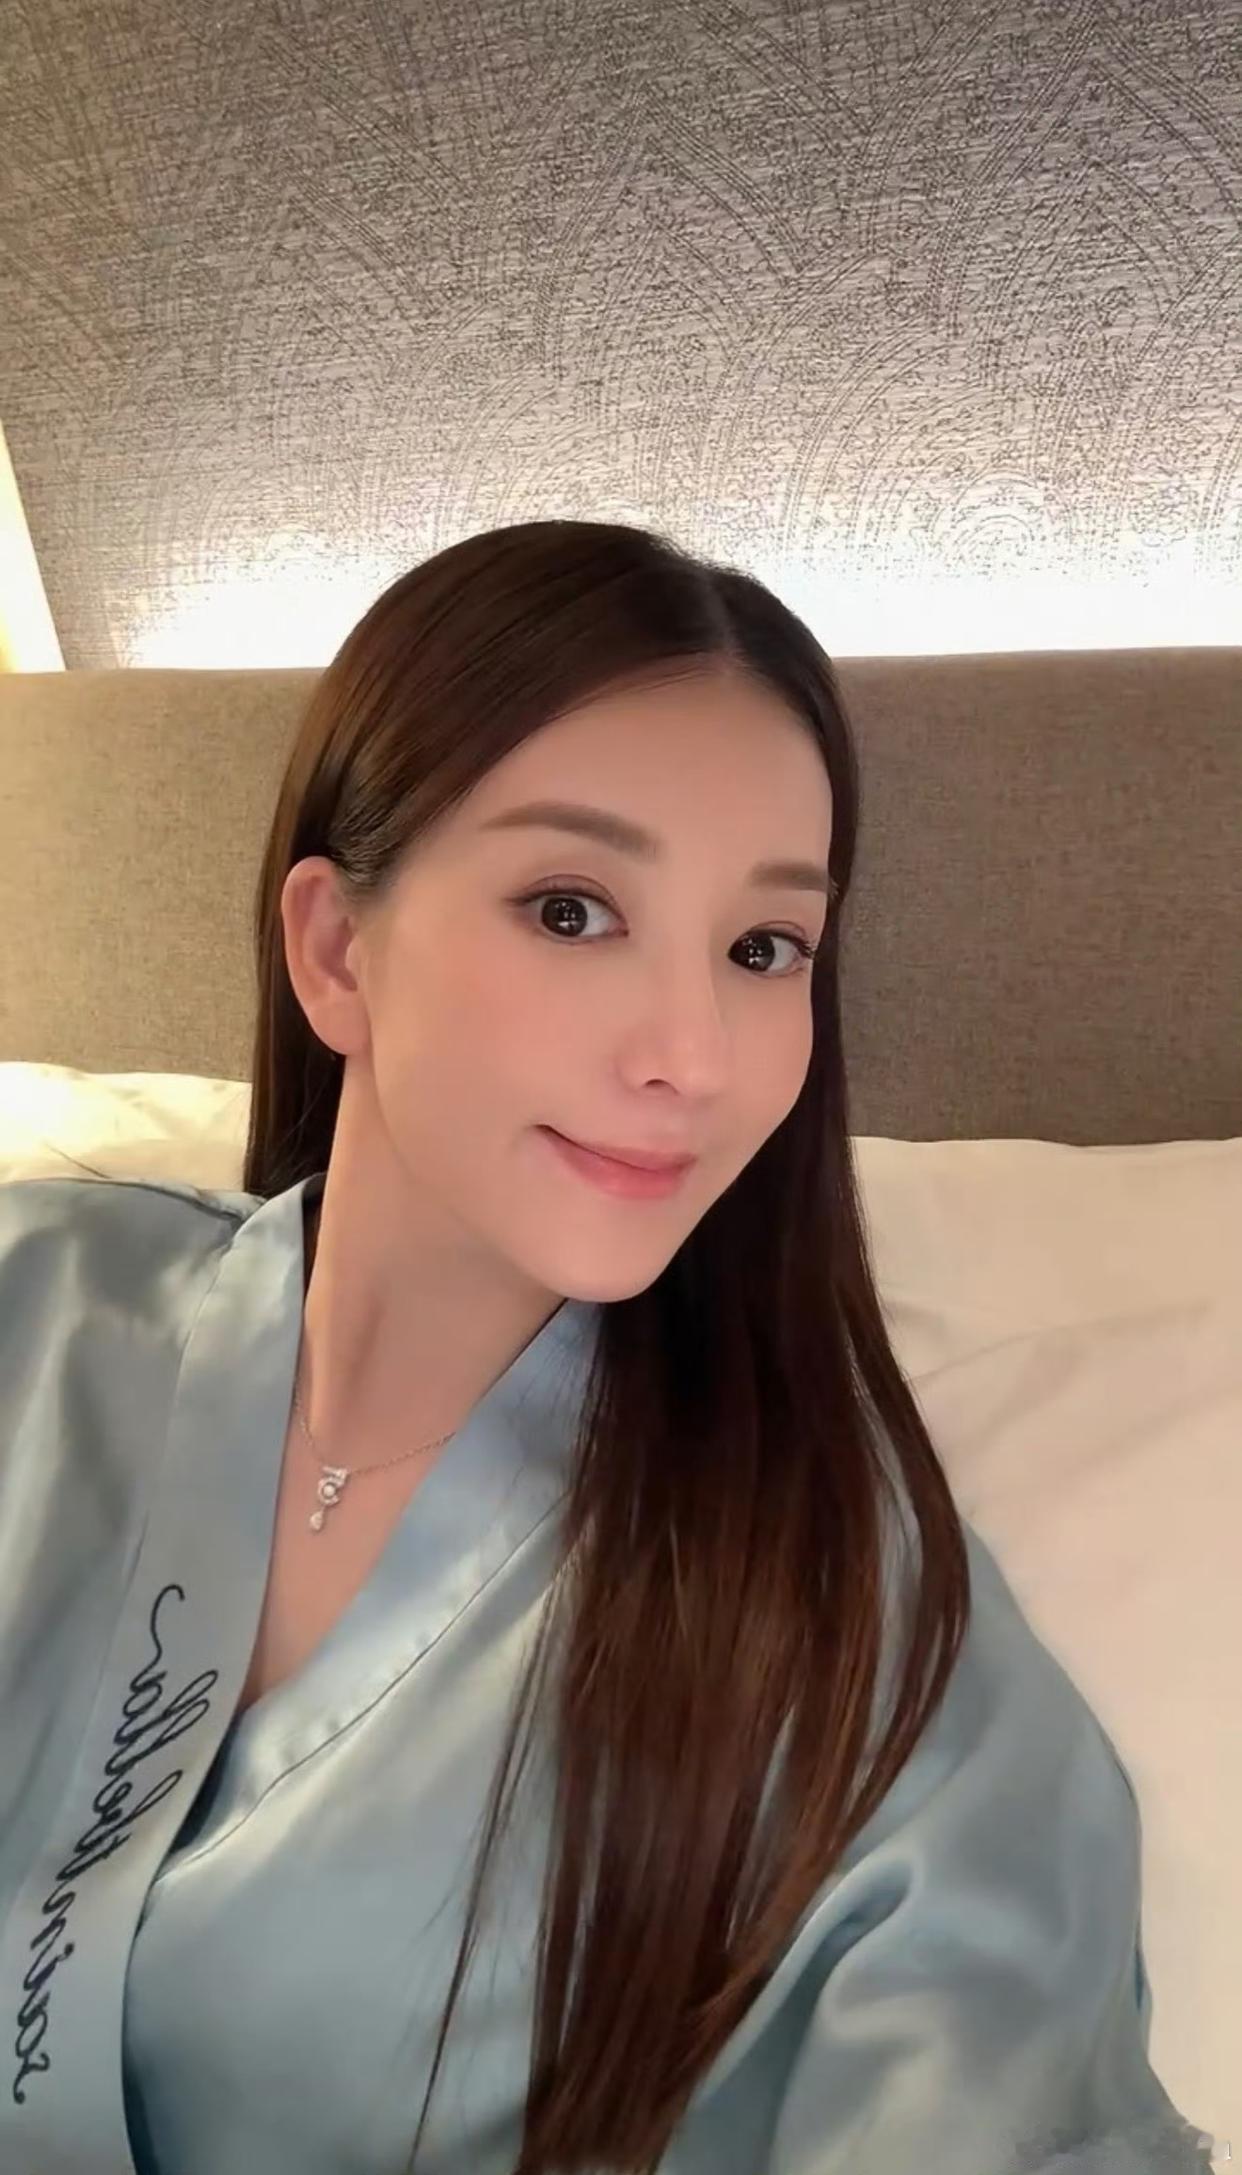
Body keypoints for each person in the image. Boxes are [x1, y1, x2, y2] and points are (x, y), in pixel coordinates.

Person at [0, 521, 1215, 2175]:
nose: (692, 1054)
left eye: (762, 949)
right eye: (571, 910)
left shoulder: (839, 1611)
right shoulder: (43, 1304)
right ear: (337, 951)